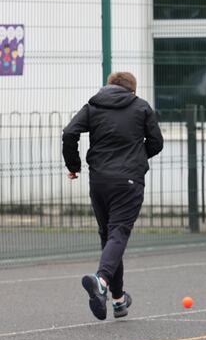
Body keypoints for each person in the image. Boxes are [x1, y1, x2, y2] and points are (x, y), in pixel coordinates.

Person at [62, 71, 163, 321]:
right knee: (118, 232)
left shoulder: (94, 105)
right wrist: (136, 159)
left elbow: (69, 133)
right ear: (132, 90)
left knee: (109, 237)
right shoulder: (141, 107)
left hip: (99, 180)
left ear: (109, 86)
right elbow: (157, 142)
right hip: (128, 180)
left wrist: (73, 165)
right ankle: (102, 280)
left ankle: (117, 300)